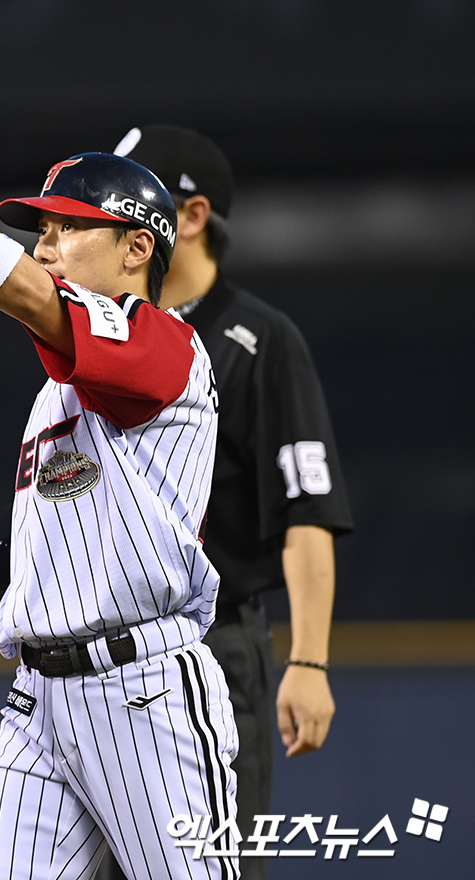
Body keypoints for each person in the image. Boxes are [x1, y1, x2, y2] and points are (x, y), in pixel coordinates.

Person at [0, 70, 240, 880]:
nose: (46, 246)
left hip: (144, 695)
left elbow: (30, 297)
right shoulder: (58, 391)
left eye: (69, 227)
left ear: (139, 247)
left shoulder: (164, 345)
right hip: (39, 703)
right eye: (42, 232)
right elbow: (51, 549)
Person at [94, 125, 353, 880]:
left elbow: (305, 509)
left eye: (127, 198)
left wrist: (308, 658)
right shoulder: (94, 337)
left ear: (193, 217)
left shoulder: (260, 339)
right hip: (100, 661)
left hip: (212, 648)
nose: (106, 217)